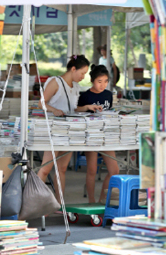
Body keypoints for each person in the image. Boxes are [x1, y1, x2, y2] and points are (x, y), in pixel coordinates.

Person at [37, 55, 102, 202]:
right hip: (54, 131)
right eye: (82, 73)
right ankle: (37, 203)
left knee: (62, 169)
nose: (83, 76)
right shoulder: (55, 82)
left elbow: (72, 109)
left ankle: (59, 203)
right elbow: (41, 103)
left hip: (69, 132)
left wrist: (86, 108)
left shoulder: (76, 87)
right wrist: (53, 110)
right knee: (46, 168)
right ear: (73, 69)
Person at [77, 65, 120, 204]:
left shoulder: (108, 94)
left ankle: (103, 199)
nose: (103, 85)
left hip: (107, 134)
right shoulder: (85, 96)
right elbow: (76, 111)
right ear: (92, 80)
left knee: (114, 170)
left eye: (106, 81)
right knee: (91, 170)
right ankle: (91, 201)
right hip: (91, 135)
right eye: (99, 81)